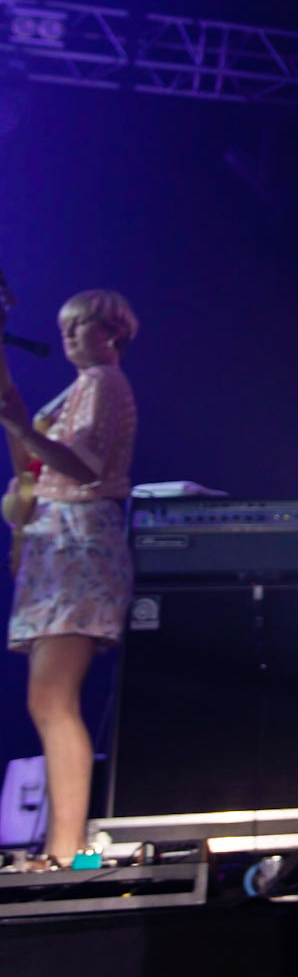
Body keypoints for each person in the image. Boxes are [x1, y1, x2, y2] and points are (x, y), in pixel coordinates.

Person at [1, 289, 139, 868]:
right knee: (48, 701)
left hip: (81, 548)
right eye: (67, 327)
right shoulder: (77, 390)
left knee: (53, 699)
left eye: (84, 326)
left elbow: (80, 463)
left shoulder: (104, 385)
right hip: (58, 551)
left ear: (114, 335)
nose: (71, 336)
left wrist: (26, 432)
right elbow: (22, 441)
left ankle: (70, 851)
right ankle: (65, 848)